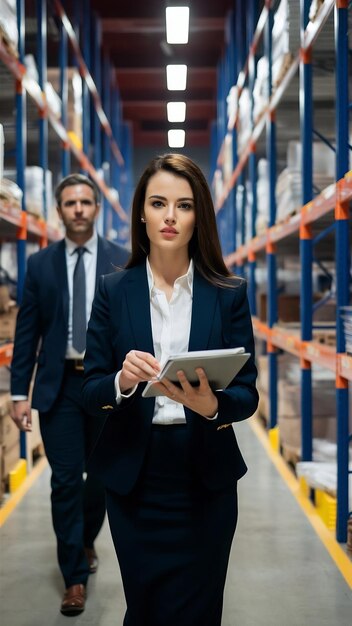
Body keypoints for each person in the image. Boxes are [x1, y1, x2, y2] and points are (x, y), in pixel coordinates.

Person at [82, 153, 259, 626]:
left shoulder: (228, 292)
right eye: (159, 203)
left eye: (184, 205)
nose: (170, 216)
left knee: (200, 611)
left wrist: (212, 405)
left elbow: (248, 393)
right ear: (142, 210)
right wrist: (122, 380)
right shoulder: (113, 290)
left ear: (198, 214)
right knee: (145, 609)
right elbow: (89, 388)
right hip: (136, 476)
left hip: (205, 476)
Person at [10, 173, 130, 616]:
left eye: (85, 202)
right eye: (70, 203)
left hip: (105, 383)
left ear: (96, 208)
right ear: (59, 211)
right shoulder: (40, 265)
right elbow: (26, 335)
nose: (78, 209)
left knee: (98, 476)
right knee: (64, 481)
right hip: (58, 385)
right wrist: (16, 394)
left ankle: (84, 540)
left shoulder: (122, 260)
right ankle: (74, 575)